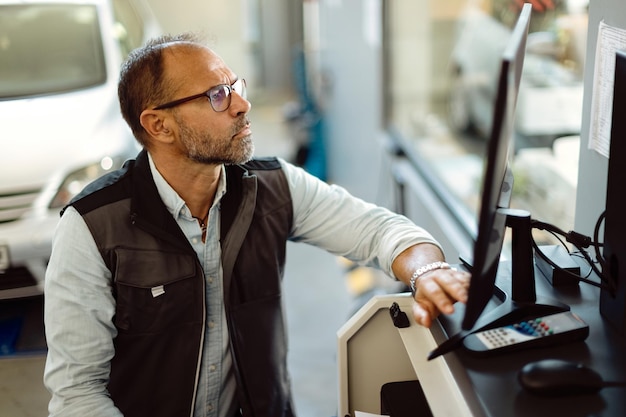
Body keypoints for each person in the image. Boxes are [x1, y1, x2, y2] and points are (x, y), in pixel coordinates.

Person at [43, 33, 470, 417]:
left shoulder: (271, 187)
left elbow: (380, 230)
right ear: (159, 125)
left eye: (235, 87)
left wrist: (426, 270)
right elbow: (77, 393)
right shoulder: (92, 226)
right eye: (216, 95)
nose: (242, 105)